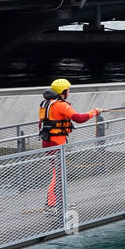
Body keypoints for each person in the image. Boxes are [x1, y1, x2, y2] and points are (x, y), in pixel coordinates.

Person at [39, 78, 100, 209]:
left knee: (58, 172)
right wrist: (94, 112)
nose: (69, 92)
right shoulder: (61, 105)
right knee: (58, 174)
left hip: (48, 141)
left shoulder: (46, 104)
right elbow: (79, 118)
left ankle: (59, 202)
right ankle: (51, 205)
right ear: (63, 91)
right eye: (68, 90)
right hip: (56, 143)